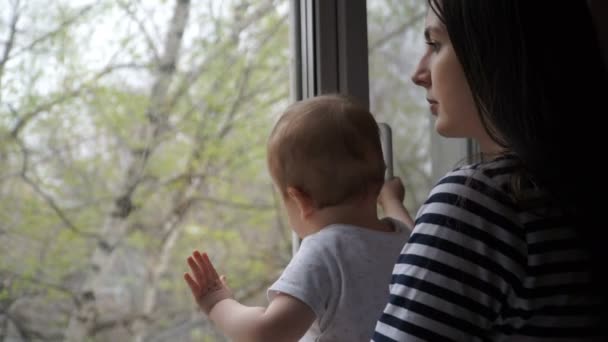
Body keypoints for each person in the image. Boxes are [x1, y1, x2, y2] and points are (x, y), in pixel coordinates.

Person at [372, 1, 608, 341]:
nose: (419, 73)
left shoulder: (480, 202)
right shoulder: (574, 190)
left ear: (496, 53)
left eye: (436, 45)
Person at [184, 94, 411, 342]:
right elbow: (411, 230)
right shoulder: (404, 239)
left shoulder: (325, 251)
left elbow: (266, 333)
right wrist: (392, 201)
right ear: (380, 179)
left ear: (300, 200)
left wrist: (217, 304)